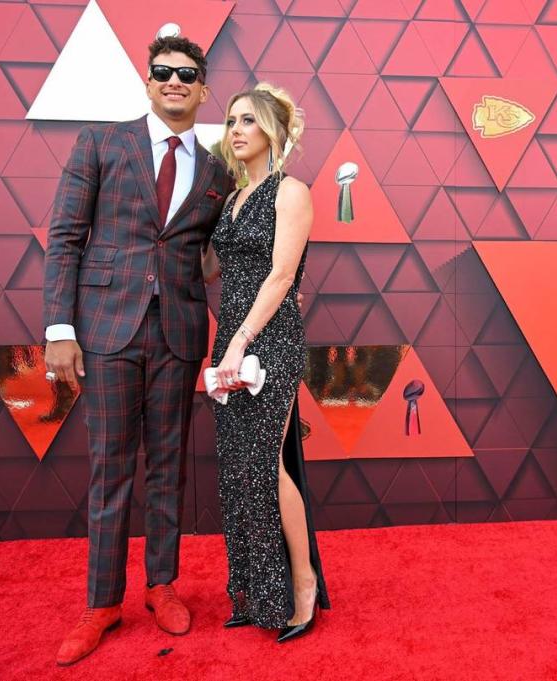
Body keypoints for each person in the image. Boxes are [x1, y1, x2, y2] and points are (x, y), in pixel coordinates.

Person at [44, 36, 234, 666]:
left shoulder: (214, 170)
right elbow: (66, 238)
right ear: (148, 82)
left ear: (203, 88)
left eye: (188, 74)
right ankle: (102, 601)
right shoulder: (101, 143)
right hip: (106, 328)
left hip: (179, 334)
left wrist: (237, 335)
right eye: (163, 73)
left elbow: (214, 262)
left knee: (168, 466)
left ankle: (162, 584)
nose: (174, 82)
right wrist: (60, 330)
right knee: (110, 467)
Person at [205, 83, 330, 641]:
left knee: (263, 466)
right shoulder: (231, 201)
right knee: (237, 473)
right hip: (230, 341)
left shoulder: (291, 192)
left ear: (274, 131)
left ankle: (302, 585)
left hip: (268, 341)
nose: (236, 130)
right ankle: (257, 592)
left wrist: (241, 340)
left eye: (248, 121)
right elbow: (213, 270)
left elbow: (281, 276)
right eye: (231, 120)